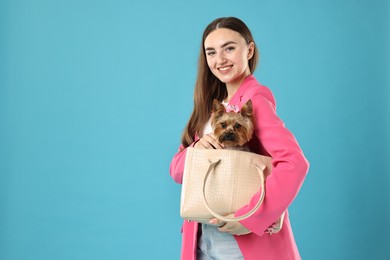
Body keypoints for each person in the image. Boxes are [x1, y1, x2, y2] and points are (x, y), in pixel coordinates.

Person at [169, 17, 309, 260]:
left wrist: (251, 218)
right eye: (211, 52)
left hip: (240, 243)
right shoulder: (207, 108)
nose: (220, 59)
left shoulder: (255, 101)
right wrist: (197, 148)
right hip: (200, 237)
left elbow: (294, 163)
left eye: (229, 48)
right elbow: (177, 171)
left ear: (250, 50)